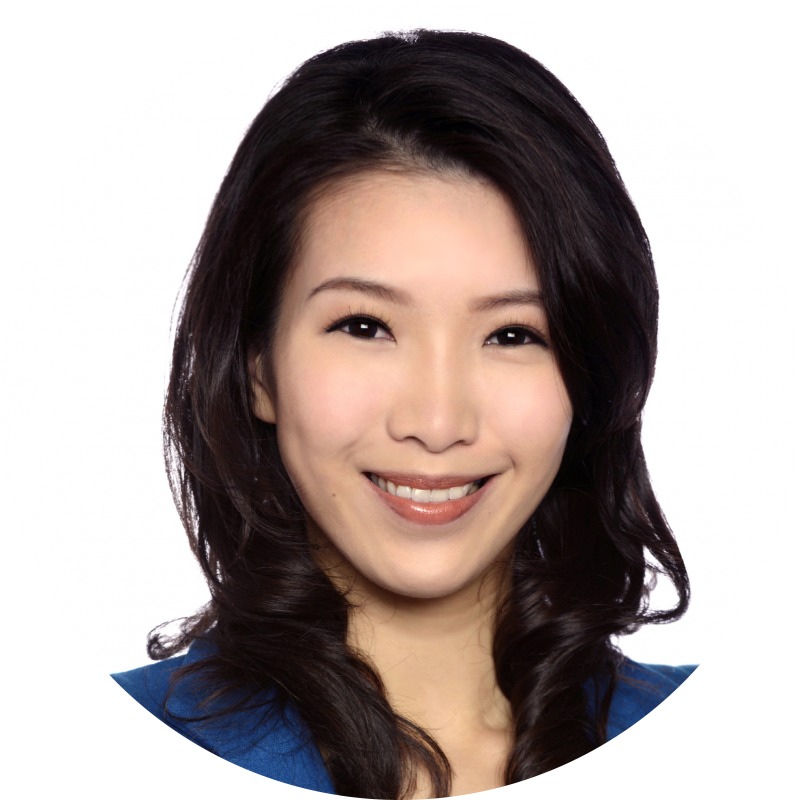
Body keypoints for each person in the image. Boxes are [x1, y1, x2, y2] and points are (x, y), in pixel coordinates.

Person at [1, 29, 797, 800]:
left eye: (513, 334)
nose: (438, 421)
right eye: (365, 326)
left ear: (589, 378)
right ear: (257, 367)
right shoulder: (97, 759)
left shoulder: (735, 748)